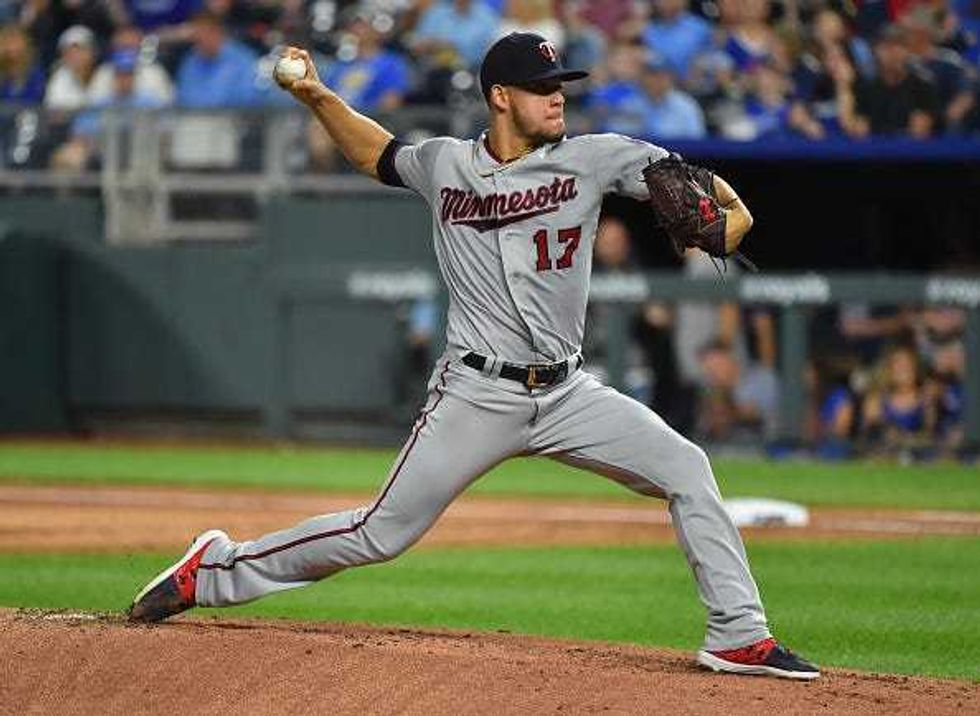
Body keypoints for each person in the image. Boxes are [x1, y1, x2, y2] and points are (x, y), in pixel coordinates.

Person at [128, 31, 819, 681]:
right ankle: (213, 570)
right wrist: (316, 96)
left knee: (686, 467)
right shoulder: (446, 163)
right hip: (474, 394)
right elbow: (378, 153)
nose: (557, 97)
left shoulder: (595, 156)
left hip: (568, 394)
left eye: (561, 85)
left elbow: (708, 197)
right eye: (541, 86)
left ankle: (737, 632)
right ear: (500, 96)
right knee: (379, 533)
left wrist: (731, 218)